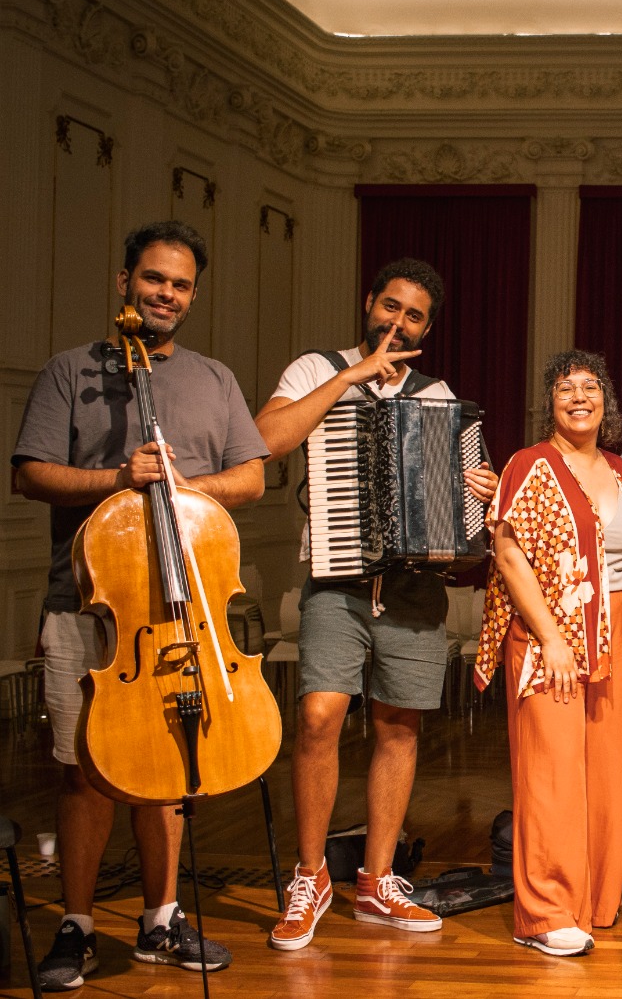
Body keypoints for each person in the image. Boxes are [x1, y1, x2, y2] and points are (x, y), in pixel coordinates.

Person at [13, 221, 265, 989]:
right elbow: (31, 474)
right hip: (90, 604)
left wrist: (185, 490)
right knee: (82, 772)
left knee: (171, 771)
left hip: (183, 609)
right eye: (154, 278)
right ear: (125, 282)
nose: (166, 294)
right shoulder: (71, 371)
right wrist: (122, 480)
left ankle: (160, 920)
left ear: (193, 295)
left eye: (181, 284)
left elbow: (250, 480)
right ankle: (78, 924)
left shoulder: (214, 379)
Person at [255, 257, 496, 951]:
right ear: (369, 304)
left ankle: (379, 881)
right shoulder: (315, 369)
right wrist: (347, 381)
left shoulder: (437, 393)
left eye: (413, 315)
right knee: (319, 714)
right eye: (390, 307)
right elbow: (267, 440)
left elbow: (456, 520)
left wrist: (474, 496)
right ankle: (310, 877)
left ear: (427, 327)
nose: (398, 321)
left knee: (399, 729)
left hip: (416, 587)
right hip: (338, 579)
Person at [471, 350, 622, 956]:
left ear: (606, 401)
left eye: (590, 386)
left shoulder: (620, 470)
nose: (578, 396)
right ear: (550, 401)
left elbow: (621, 556)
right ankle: (545, 913)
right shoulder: (530, 465)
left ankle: (593, 900)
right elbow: (510, 555)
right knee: (551, 771)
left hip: (612, 630)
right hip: (553, 633)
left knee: (602, 770)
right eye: (565, 387)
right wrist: (550, 637)